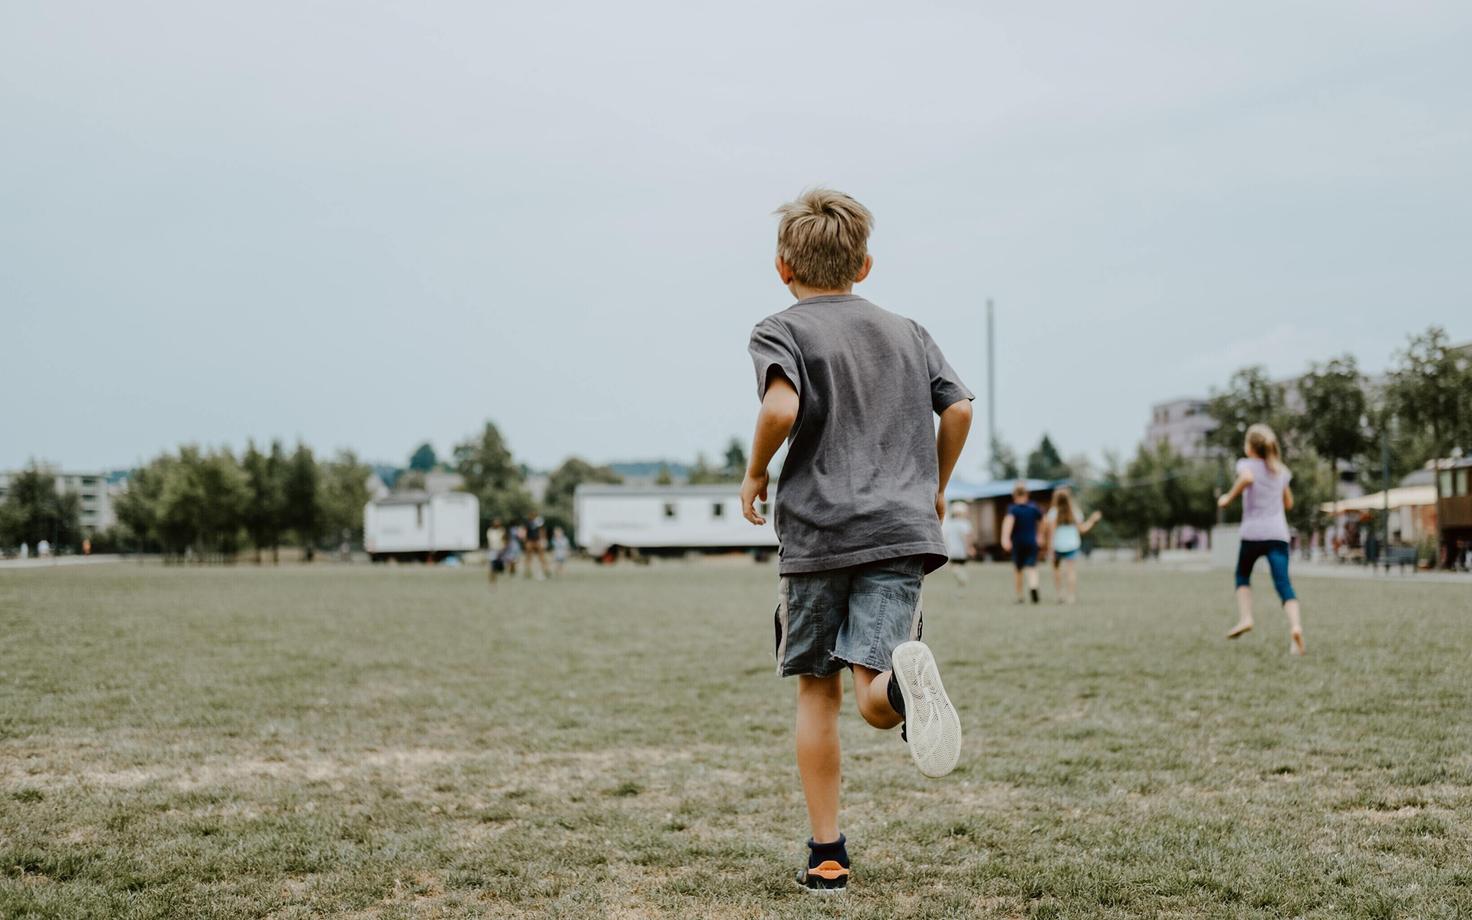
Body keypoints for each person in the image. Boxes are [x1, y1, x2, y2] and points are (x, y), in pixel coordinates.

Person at [741, 188, 971, 894]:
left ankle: (828, 855)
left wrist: (755, 473)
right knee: (871, 687)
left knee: (817, 692)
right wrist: (935, 482)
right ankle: (898, 689)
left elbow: (782, 405)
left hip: (818, 535)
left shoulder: (781, 330)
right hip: (901, 530)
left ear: (784, 267)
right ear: (864, 265)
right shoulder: (908, 331)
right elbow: (958, 406)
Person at [1217, 423, 1305, 656]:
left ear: (1250, 447)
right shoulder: (1281, 471)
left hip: (1253, 534)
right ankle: (1295, 627)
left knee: (1242, 575)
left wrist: (1228, 498)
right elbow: (1289, 504)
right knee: (1284, 584)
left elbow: (1246, 478)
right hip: (1277, 534)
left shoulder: (1246, 465)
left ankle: (1246, 617)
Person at [1040, 487, 1102, 604]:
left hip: (1057, 546)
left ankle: (1059, 595)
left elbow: (1051, 533)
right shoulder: (1075, 512)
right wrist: (1092, 520)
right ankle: (1071, 597)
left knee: (1057, 571)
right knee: (1071, 571)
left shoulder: (1053, 513)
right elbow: (1083, 529)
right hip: (1072, 546)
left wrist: (1050, 548)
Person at [1000, 482, 1043, 604]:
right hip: (1031, 541)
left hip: (1018, 542)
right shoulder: (1034, 508)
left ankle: (1020, 596)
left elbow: (1008, 523)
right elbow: (1043, 521)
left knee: (1018, 569)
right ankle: (1033, 586)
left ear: (1014, 495)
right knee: (1032, 567)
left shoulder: (1013, 509)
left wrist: (1005, 539)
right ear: (1027, 495)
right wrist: (1040, 535)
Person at [940, 502, 974, 585]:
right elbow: (967, 537)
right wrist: (969, 547)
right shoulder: (965, 523)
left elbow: (946, 536)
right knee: (961, 564)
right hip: (962, 548)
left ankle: (958, 573)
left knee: (954, 564)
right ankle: (961, 575)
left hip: (951, 548)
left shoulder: (950, 523)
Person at [523, 514, 549, 580]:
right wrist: (526, 541)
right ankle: (527, 572)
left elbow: (542, 531)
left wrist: (543, 540)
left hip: (537, 541)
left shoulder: (538, 522)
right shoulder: (528, 523)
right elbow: (525, 532)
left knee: (541, 557)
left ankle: (546, 570)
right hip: (530, 541)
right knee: (528, 558)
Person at [486, 519, 506, 584]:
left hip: (500, 550)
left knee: (499, 567)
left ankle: (496, 579)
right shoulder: (490, 531)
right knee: (492, 567)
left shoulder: (502, 530)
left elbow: (504, 540)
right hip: (493, 550)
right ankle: (492, 580)